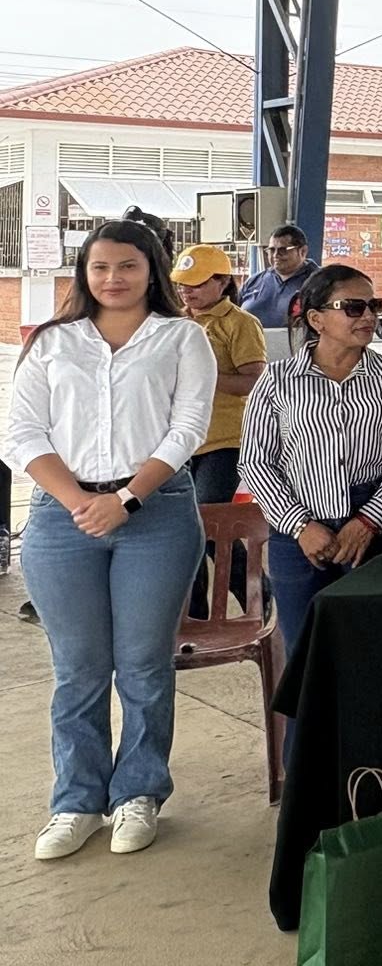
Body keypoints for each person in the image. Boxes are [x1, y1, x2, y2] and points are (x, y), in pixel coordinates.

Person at [8, 219, 214, 861]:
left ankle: (138, 793)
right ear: (83, 273)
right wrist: (81, 503)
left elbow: (187, 429)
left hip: (156, 513)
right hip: (62, 518)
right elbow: (21, 432)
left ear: (152, 271)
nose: (112, 278)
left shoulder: (182, 337)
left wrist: (124, 500)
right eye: (99, 267)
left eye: (127, 265)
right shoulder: (53, 341)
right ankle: (76, 802)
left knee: (144, 664)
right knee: (78, 669)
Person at [241, 264, 382, 656]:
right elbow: (255, 462)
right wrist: (300, 526)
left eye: (374, 305)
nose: (368, 316)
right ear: (316, 319)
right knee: (306, 652)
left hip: (375, 526)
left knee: (374, 647)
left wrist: (368, 521)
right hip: (297, 529)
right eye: (353, 307)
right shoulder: (277, 380)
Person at [170, 243, 265, 617]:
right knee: (183, 527)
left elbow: (254, 380)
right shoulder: (175, 322)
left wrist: (203, 376)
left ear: (223, 281)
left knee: (209, 524)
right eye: (183, 283)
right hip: (179, 442)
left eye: (196, 283)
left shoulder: (239, 324)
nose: (187, 291)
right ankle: (194, 614)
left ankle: (260, 598)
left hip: (224, 441)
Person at [241, 224, 313, 329]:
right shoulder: (254, 281)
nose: (275, 255)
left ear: (303, 251)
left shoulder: (319, 283)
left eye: (283, 250)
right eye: (271, 250)